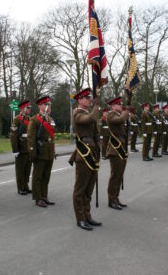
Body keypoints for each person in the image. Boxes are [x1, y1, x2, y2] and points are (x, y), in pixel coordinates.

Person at [70, 88, 101, 231]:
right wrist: (96, 106)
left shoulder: (88, 113)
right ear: (79, 100)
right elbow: (90, 119)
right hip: (83, 155)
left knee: (89, 188)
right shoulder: (77, 113)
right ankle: (80, 218)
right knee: (80, 189)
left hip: (92, 152)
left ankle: (87, 216)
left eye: (90, 98)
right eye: (86, 98)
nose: (89, 100)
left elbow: (95, 130)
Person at [27, 96, 55, 208]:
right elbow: (31, 138)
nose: (48, 106)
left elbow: (51, 136)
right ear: (40, 106)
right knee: (37, 176)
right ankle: (37, 197)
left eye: (49, 104)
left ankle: (44, 196)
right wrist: (32, 153)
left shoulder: (50, 119)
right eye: (45, 104)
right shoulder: (34, 120)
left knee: (46, 176)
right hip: (40, 151)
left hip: (49, 151)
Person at [106, 96, 129, 209]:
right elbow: (119, 121)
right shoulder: (111, 114)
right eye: (119, 104)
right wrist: (126, 112)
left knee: (119, 175)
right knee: (115, 176)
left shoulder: (118, 115)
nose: (121, 106)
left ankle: (116, 197)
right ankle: (112, 200)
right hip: (115, 149)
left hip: (121, 147)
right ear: (113, 106)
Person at [10, 100, 32, 195]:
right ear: (22, 109)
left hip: (28, 148)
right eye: (28, 108)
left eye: (29, 108)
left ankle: (25, 186)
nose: (29, 110)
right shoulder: (17, 120)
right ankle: (20, 187)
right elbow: (14, 136)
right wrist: (15, 150)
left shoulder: (30, 119)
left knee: (27, 169)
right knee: (20, 170)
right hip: (21, 148)